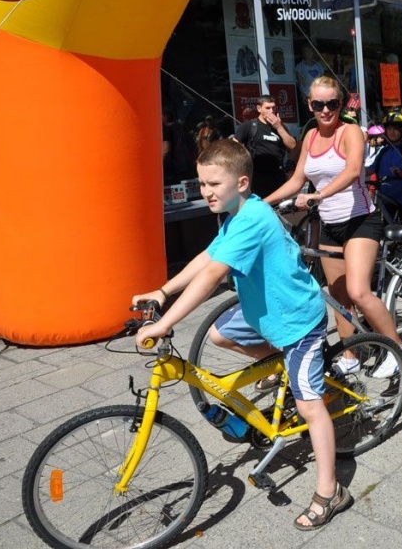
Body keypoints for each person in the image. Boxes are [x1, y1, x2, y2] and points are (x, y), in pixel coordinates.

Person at [133, 139, 352, 531]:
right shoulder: (235, 215)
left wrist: (165, 323)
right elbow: (207, 257)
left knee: (309, 407)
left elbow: (214, 275)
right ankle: (291, 370)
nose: (206, 192)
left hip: (297, 321)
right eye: (202, 184)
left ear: (243, 182)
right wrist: (163, 291)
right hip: (266, 315)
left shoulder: (252, 218)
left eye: (214, 184)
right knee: (219, 334)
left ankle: (330, 490)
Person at [267, 76, 402, 377]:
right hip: (330, 224)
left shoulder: (351, 131)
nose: (326, 110)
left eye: (332, 103)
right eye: (319, 104)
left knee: (358, 292)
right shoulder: (310, 137)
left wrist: (318, 194)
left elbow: (353, 170)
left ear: (340, 104)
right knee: (338, 297)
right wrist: (262, 202)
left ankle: (398, 349)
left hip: (360, 221)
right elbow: (296, 180)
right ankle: (351, 354)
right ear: (310, 105)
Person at [233, 95, 297, 199]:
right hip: (258, 178)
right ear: (259, 108)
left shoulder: (280, 126)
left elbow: (293, 146)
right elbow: (233, 147)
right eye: (267, 108)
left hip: (278, 176)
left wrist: (279, 127)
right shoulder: (250, 125)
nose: (271, 111)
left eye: (273, 108)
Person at [367, 113, 402, 221]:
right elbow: (371, 169)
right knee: (387, 229)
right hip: (386, 198)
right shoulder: (383, 150)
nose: (392, 132)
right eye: (389, 128)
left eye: (395, 129)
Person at [295, 46, 324, 122]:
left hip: (319, 95)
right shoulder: (299, 66)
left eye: (310, 51)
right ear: (303, 53)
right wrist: (303, 95)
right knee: (309, 117)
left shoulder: (318, 65)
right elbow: (301, 83)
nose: (309, 53)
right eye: (306, 51)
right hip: (306, 96)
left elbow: (322, 79)